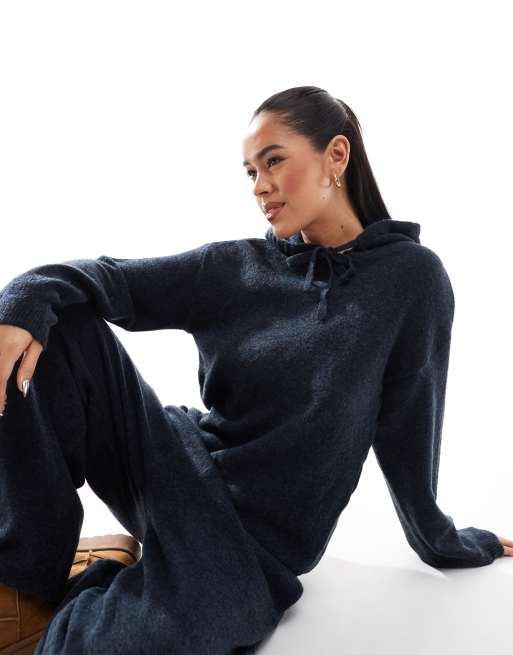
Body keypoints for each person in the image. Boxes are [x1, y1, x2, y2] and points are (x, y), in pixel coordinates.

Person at [0, 85, 510, 654]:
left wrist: (442, 540)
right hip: (173, 465)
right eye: (250, 172)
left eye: (274, 162)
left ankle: (103, 576)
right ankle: (24, 580)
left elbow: (410, 425)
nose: (260, 186)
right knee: (49, 323)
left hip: (252, 542)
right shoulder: (238, 266)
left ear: (336, 156)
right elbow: (108, 277)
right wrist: (18, 306)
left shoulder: (410, 280)